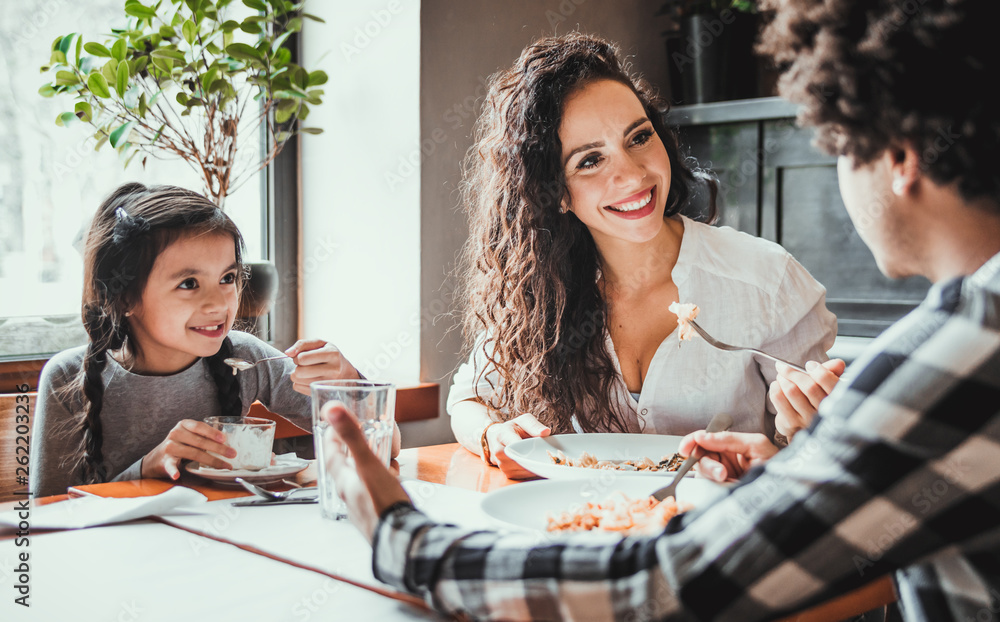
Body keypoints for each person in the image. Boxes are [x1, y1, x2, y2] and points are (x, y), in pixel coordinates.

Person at [326, 1, 1000, 620]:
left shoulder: (959, 357)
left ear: (900, 159)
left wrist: (403, 537)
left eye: (836, 150)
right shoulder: (959, 339)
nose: (630, 174)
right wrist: (798, 466)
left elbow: (665, 585)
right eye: (590, 160)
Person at [448, 32, 837, 477]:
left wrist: (803, 431)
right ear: (555, 193)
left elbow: (825, 448)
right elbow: (467, 398)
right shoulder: (540, 291)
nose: (632, 175)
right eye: (590, 160)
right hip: (588, 528)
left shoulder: (767, 279)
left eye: (638, 138)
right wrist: (493, 436)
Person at [30, 183, 399, 499]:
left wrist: (346, 382)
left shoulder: (244, 357)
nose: (220, 303)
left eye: (227, 278)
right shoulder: (66, 379)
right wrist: (146, 470)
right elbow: (48, 518)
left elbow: (387, 446)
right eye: (189, 284)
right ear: (125, 298)